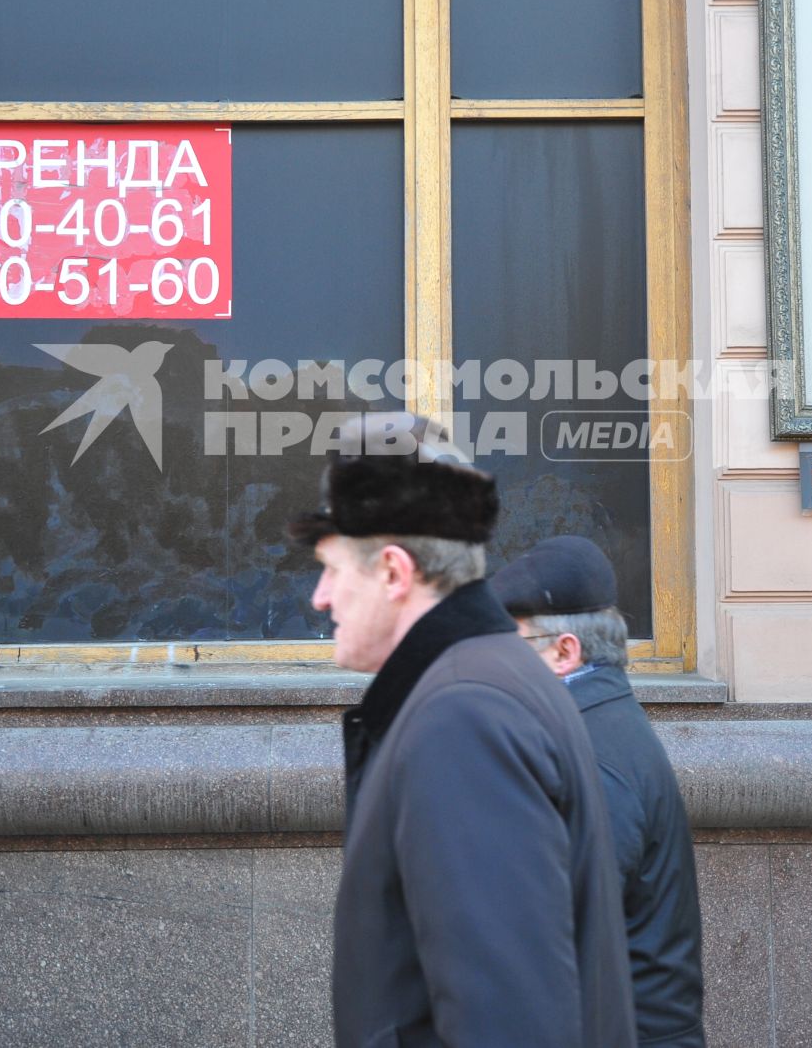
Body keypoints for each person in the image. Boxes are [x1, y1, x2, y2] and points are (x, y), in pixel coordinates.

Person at [291, 413, 633, 1048]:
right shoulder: (484, 682)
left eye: (332, 569)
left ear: (393, 572)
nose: (320, 597)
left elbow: (509, 1021)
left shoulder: (462, 714)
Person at [493, 535, 706, 1048]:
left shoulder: (585, 752)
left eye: (511, 644)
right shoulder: (598, 723)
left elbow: (561, 938)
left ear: (565, 652)